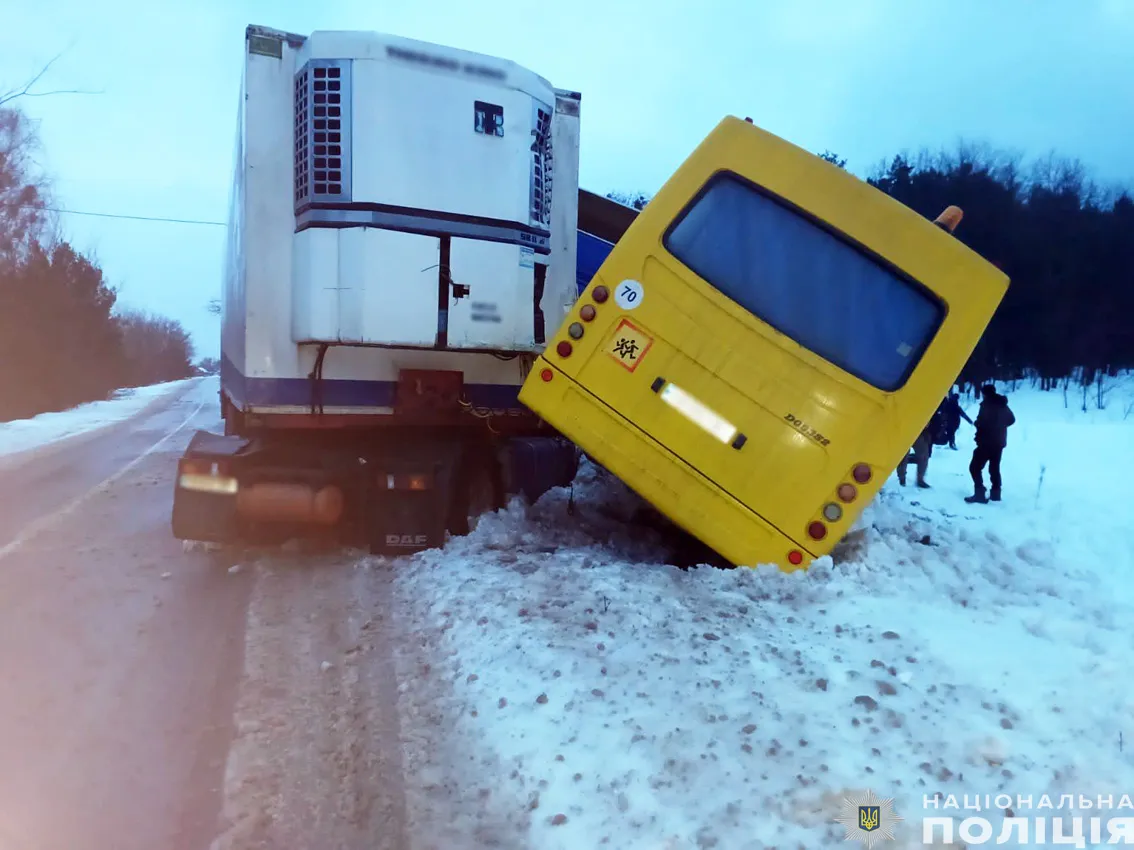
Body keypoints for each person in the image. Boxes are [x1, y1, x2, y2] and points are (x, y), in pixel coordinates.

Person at [965, 384, 1015, 504]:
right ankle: (996, 494)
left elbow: (983, 422)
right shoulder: (1002, 404)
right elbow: (1011, 420)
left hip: (986, 442)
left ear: (985, 394)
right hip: (999, 442)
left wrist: (980, 424)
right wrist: (1000, 426)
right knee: (994, 468)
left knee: (974, 467)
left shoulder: (987, 405)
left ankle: (979, 494)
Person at [898, 402, 948, 489]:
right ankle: (902, 478)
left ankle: (920, 479)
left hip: (920, 432)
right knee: (903, 456)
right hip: (905, 429)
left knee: (924, 456)